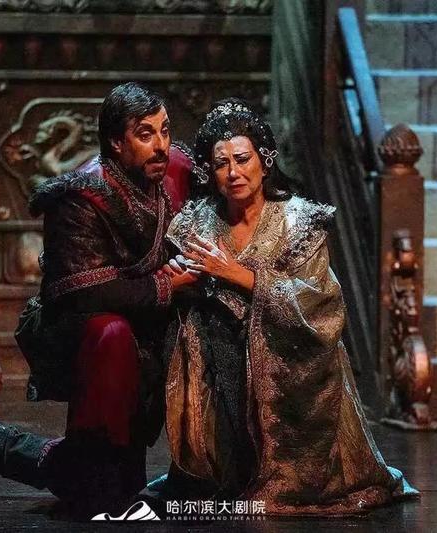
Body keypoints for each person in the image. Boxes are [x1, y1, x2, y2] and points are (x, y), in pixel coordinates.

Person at [0, 82, 200, 517]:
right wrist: (167, 284)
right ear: (116, 142)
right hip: (87, 334)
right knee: (101, 493)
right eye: (145, 134)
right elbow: (85, 290)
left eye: (165, 131)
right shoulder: (80, 196)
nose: (160, 146)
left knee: (111, 486)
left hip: (147, 329)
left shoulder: (171, 173)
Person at [151, 99, 418, 515]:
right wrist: (181, 281)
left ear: (265, 161)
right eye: (221, 164)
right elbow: (182, 291)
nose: (233, 172)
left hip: (287, 362)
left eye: (243, 159)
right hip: (217, 360)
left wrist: (238, 274)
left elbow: (322, 305)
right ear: (209, 172)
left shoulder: (299, 222)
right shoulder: (195, 222)